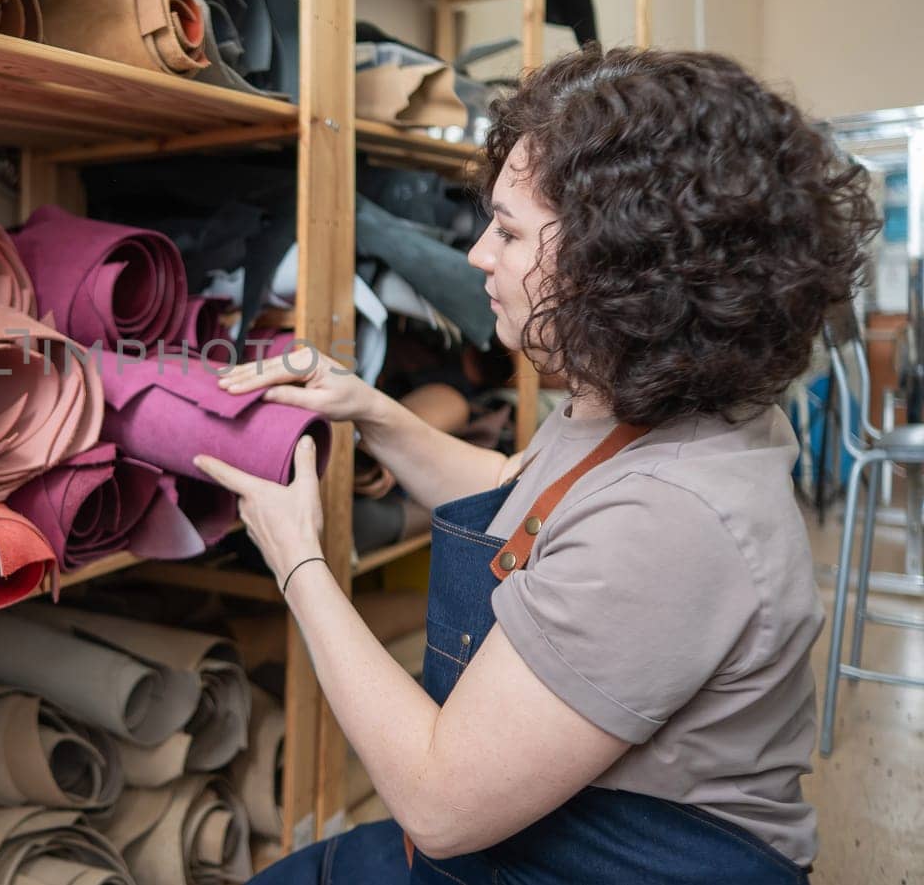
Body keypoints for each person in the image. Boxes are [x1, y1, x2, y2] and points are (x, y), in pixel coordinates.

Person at [194, 46, 877, 884]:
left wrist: (298, 558)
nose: (478, 254)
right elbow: (528, 505)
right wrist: (370, 412)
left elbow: (440, 802)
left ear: (622, 266)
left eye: (509, 231)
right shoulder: (651, 400)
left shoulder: (670, 518)